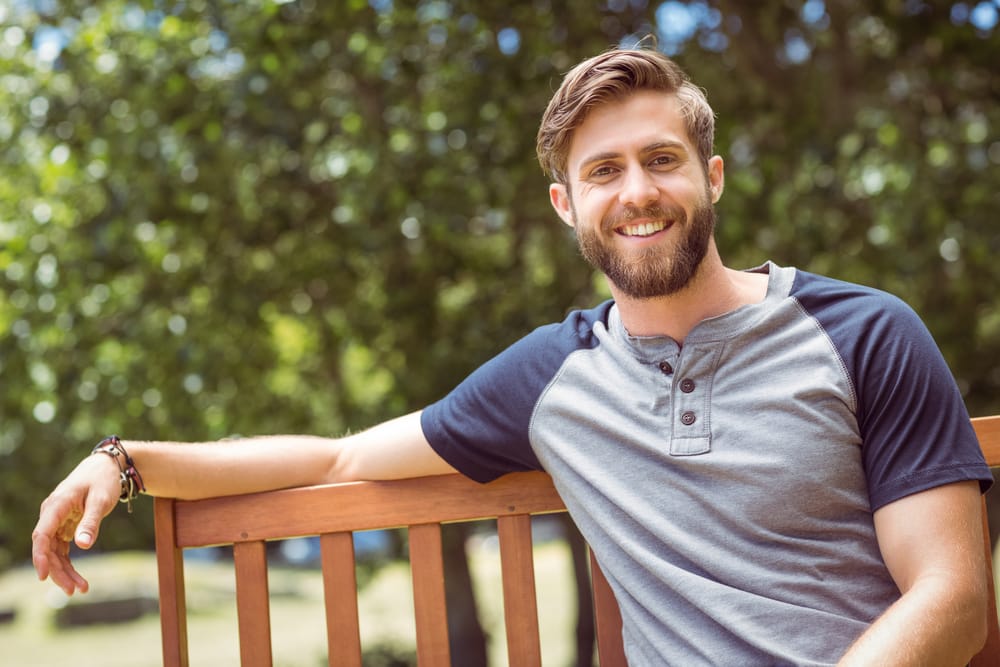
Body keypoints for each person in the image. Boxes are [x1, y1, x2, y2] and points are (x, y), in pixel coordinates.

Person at [33, 47, 993, 666]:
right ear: (567, 205)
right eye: (603, 171)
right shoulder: (553, 375)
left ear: (712, 176)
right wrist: (126, 461)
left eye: (661, 159)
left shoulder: (864, 330)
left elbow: (952, 598)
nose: (637, 191)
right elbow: (339, 457)